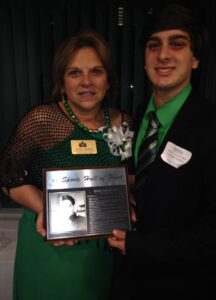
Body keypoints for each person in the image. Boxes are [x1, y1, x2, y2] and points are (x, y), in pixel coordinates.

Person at [0, 30, 134, 300]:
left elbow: (128, 175)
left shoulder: (124, 122)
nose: (87, 82)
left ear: (108, 80)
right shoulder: (43, 121)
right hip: (51, 248)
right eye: (75, 73)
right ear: (62, 82)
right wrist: (44, 208)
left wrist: (126, 202)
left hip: (104, 251)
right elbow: (7, 177)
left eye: (96, 71)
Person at [108, 4, 216, 300]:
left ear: (195, 59)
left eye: (177, 43)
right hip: (128, 281)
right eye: (153, 45)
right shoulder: (138, 117)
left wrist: (140, 246)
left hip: (184, 286)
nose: (163, 55)